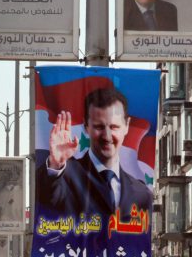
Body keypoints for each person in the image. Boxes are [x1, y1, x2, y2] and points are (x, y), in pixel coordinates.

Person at [37, 88, 153, 221]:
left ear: (127, 126)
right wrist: (56, 164)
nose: (107, 136)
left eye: (114, 127)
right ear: (86, 126)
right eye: (99, 127)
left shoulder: (143, 194)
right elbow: (45, 197)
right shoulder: (64, 177)